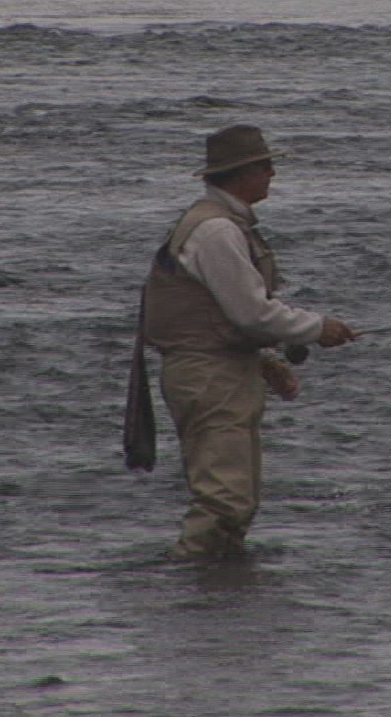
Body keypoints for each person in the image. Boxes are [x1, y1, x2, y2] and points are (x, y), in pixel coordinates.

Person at [138, 124, 358, 561]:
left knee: (237, 501)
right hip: (209, 377)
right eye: (265, 166)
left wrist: (264, 360)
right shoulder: (216, 232)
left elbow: (224, 315)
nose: (272, 173)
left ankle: (218, 587)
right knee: (225, 501)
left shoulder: (217, 224)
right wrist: (318, 328)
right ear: (240, 173)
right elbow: (251, 312)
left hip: (217, 372)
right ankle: (191, 583)